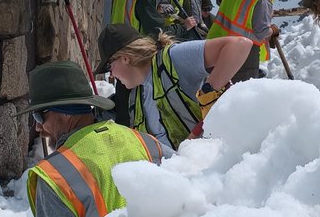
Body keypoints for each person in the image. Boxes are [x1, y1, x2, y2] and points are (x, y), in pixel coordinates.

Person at [19, 61, 164, 217]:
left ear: (64, 112)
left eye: (39, 115)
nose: (37, 127)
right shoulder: (146, 142)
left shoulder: (56, 175)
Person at [96, 22, 252, 154]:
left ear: (125, 58)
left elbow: (239, 45)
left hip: (208, 167)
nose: (111, 74)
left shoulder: (172, 60)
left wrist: (208, 92)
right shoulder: (135, 94)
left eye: (110, 65)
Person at [207, 0, 285, 82]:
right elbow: (261, 31)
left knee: (215, 85)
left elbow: (220, 0)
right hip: (244, 52)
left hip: (217, 44)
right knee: (240, 90)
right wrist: (273, 30)